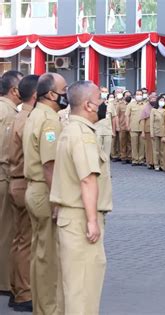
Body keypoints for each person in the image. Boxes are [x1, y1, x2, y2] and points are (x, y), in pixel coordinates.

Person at [50, 80, 112, 315]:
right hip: (80, 220)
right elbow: (87, 179)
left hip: (70, 217)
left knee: (69, 288)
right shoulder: (83, 135)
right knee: (83, 289)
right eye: (100, 99)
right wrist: (92, 221)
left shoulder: (70, 129)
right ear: (88, 105)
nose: (103, 104)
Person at [23, 72, 68, 315]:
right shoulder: (49, 120)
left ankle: (41, 307)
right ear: (51, 94)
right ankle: (49, 309)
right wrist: (57, 200)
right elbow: (49, 164)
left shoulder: (35, 113)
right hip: (44, 190)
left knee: (40, 254)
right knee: (49, 258)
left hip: (34, 189)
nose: (66, 94)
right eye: (63, 89)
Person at [6, 75, 38, 312]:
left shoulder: (20, 115)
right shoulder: (28, 119)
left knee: (19, 240)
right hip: (24, 183)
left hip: (16, 181)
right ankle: (23, 292)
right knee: (26, 241)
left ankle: (18, 288)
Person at [0, 70, 23, 302]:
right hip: (3, 176)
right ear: (14, 90)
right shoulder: (7, 113)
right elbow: (7, 152)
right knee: (7, 231)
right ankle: (5, 281)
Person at [95, 86, 117, 160]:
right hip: (97, 130)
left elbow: (113, 117)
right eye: (103, 91)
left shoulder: (110, 104)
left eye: (106, 92)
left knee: (106, 154)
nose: (104, 93)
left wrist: (113, 131)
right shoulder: (95, 103)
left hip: (108, 130)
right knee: (97, 153)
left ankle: (105, 170)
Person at [126, 90, 146, 166]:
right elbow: (127, 116)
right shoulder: (130, 105)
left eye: (140, 94)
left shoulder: (145, 104)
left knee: (142, 144)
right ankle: (134, 159)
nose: (139, 95)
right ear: (134, 96)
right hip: (133, 127)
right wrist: (127, 125)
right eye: (137, 94)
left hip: (142, 128)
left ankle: (141, 159)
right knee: (134, 144)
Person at [150, 94, 165, 171]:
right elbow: (151, 122)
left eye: (163, 101)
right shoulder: (154, 110)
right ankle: (156, 164)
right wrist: (152, 133)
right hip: (155, 131)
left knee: (162, 150)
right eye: (160, 100)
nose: (162, 102)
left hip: (163, 132)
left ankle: (162, 165)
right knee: (156, 150)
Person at [140, 93, 155, 169]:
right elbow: (142, 120)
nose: (153, 100)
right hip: (148, 130)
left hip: (156, 130)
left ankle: (155, 162)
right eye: (151, 99)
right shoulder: (145, 108)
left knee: (155, 147)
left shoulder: (157, 108)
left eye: (154, 99)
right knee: (149, 147)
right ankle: (149, 162)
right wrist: (143, 131)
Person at [116, 89, 131, 164]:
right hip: (122, 126)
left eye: (129, 95)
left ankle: (129, 156)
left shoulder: (132, 104)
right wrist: (117, 126)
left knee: (130, 142)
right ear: (124, 96)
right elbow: (117, 116)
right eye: (126, 95)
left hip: (131, 126)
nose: (128, 96)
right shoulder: (120, 104)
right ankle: (123, 157)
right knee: (122, 143)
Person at [108, 93, 121, 162]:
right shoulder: (109, 104)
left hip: (118, 123)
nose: (112, 98)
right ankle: (113, 155)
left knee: (118, 141)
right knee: (112, 141)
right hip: (109, 124)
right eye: (110, 97)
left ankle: (118, 154)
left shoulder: (120, 103)